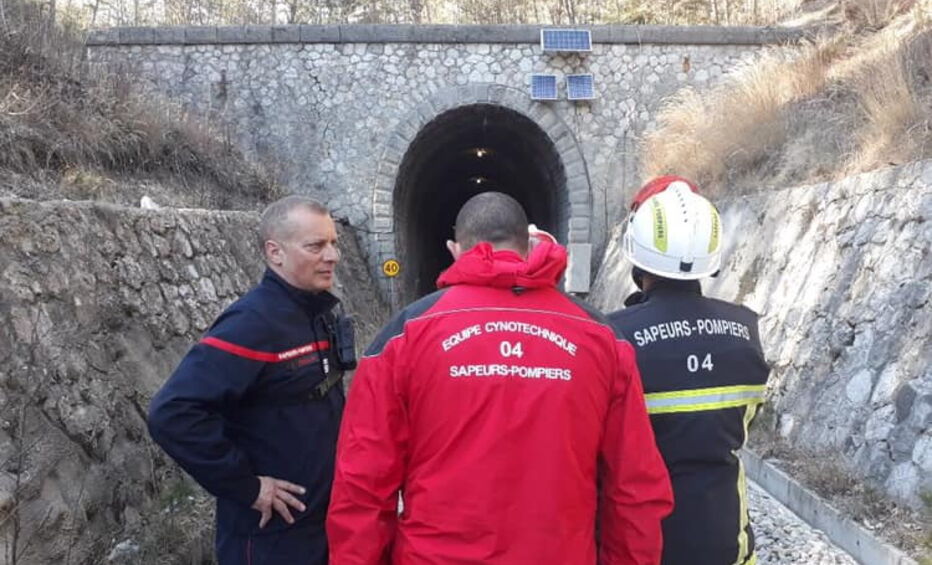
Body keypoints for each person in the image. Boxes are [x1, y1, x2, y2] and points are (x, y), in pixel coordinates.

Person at [327, 191, 673, 565]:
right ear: (528, 244)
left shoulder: (405, 335)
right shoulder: (600, 338)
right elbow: (634, 489)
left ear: (454, 249)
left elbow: (362, 486)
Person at [148, 196, 357, 565]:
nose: (332, 256)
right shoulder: (253, 323)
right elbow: (172, 413)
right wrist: (247, 487)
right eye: (316, 245)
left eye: (334, 243)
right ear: (275, 253)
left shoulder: (316, 311)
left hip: (317, 525)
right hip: (270, 540)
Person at [606, 180, 770, 565]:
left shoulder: (615, 336)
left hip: (647, 543)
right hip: (727, 541)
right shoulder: (746, 331)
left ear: (637, 258)